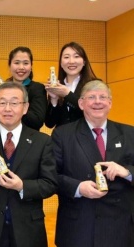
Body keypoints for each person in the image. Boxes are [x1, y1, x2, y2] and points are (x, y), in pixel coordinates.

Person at [0, 82, 57, 247]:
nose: (7, 108)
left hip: (29, 230)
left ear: (25, 107)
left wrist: (22, 186)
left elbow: (50, 184)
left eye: (14, 103)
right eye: (2, 103)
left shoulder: (42, 141)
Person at [53, 80, 134, 247]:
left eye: (103, 97)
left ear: (110, 103)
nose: (98, 101)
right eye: (91, 97)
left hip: (120, 228)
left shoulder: (129, 133)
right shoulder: (63, 134)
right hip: (78, 227)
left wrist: (127, 171)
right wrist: (78, 188)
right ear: (81, 104)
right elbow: (51, 176)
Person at [0, 46, 47, 131]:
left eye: (26, 63)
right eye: (17, 63)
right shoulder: (2, 89)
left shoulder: (37, 89)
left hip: (28, 139)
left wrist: (17, 107)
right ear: (9, 65)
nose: (21, 67)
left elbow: (37, 121)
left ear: (31, 66)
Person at [45, 42, 99, 128]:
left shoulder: (95, 85)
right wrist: (54, 100)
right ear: (61, 63)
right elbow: (50, 123)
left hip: (86, 138)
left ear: (84, 61)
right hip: (61, 139)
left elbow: (93, 112)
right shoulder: (57, 86)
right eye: (66, 57)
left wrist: (67, 94)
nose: (71, 61)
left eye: (76, 56)